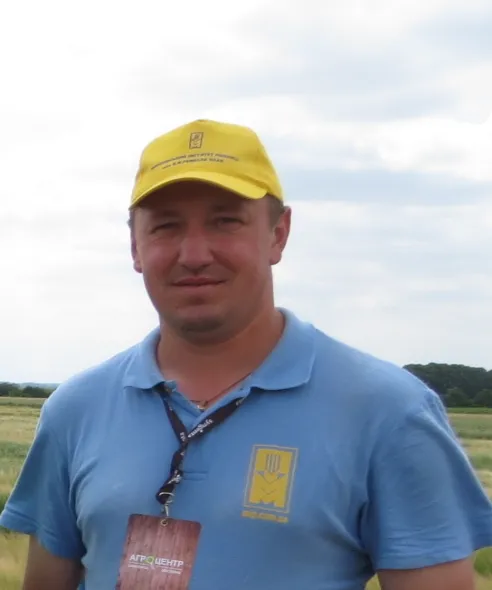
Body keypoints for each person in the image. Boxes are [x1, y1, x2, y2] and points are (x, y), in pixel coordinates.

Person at [1, 119, 492, 590]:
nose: (194, 254)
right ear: (135, 246)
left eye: (225, 222)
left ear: (279, 234)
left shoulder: (390, 412)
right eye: (166, 226)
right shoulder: (75, 410)